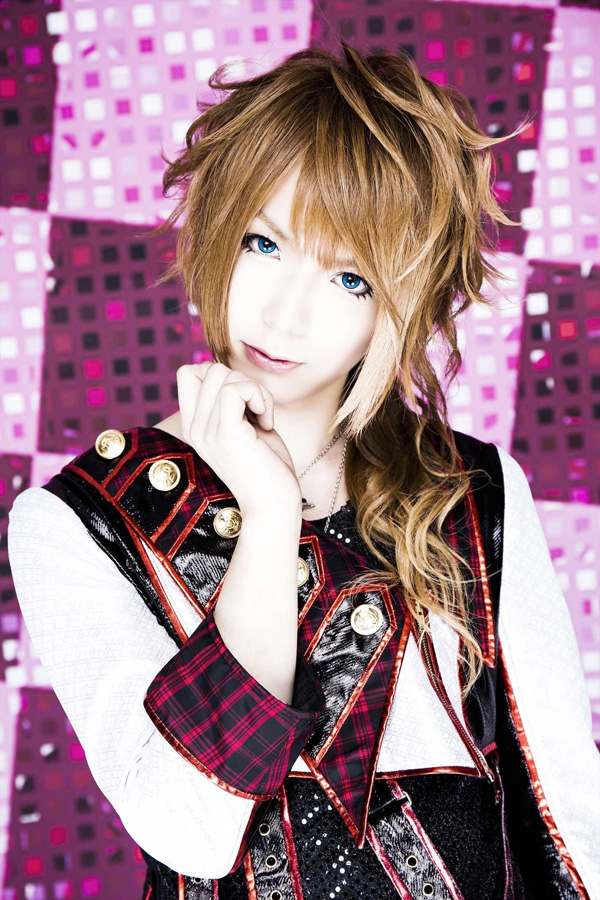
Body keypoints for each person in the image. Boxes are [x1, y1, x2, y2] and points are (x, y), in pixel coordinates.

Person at [7, 41, 600, 900]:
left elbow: (570, 822)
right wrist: (269, 517)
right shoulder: (79, 522)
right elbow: (191, 828)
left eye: (350, 278)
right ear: (218, 227)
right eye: (265, 242)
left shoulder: (474, 492)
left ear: (402, 302)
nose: (286, 313)